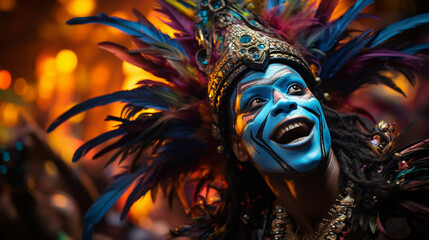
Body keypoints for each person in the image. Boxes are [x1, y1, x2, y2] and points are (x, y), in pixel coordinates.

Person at [48, 0, 429, 239]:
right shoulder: (255, 230)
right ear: (237, 147)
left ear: (321, 105)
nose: (282, 104)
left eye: (295, 90)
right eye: (255, 101)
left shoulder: (406, 203)